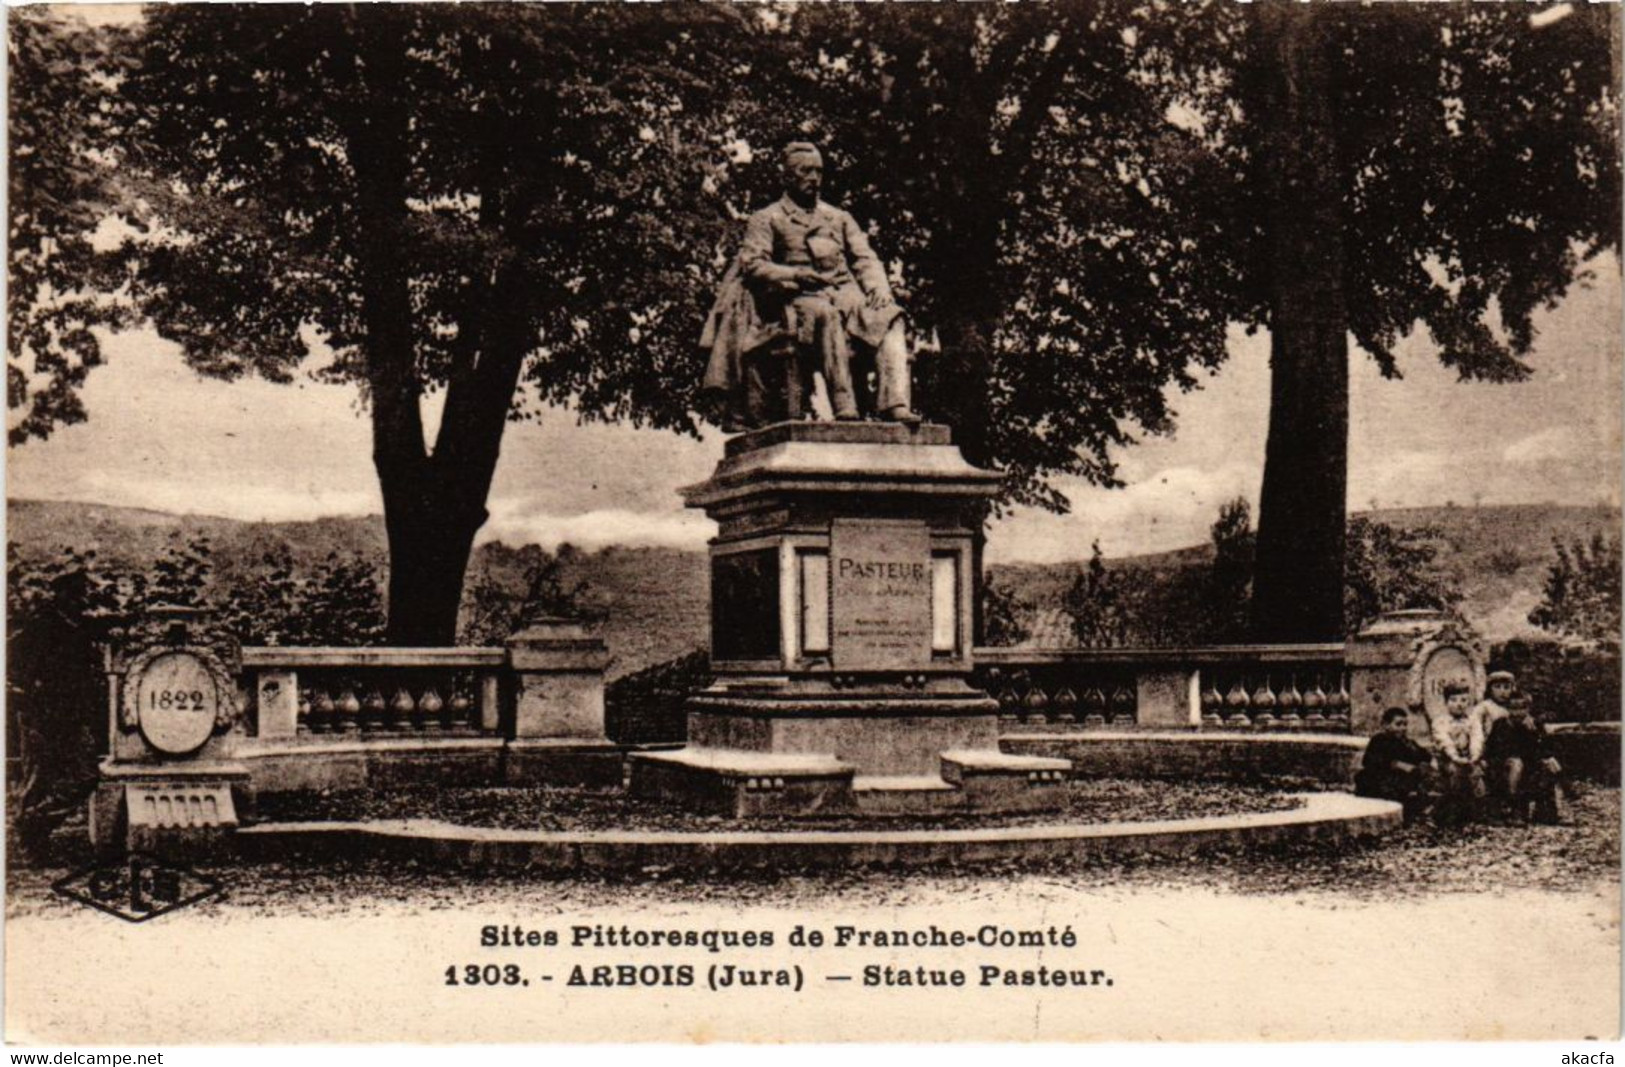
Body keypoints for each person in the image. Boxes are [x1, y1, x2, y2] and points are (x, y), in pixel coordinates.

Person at [700, 142, 920, 430]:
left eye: (819, 171)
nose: (814, 179)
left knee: (892, 317)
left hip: (847, 295)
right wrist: (794, 274)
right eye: (806, 171)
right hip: (797, 297)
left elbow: (866, 258)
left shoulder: (839, 218)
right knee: (823, 313)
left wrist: (879, 289)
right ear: (787, 177)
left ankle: (895, 403)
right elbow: (753, 264)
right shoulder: (767, 218)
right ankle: (845, 405)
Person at [1483, 692, 1567, 824]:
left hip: (1529, 765)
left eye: (1522, 708)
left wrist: (1532, 733)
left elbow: (1543, 749)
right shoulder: (1501, 725)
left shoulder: (1533, 725)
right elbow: (1494, 750)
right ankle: (1514, 808)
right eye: (1513, 708)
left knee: (1550, 764)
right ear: (1507, 709)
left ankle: (1548, 811)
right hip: (1504, 767)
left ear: (1528, 709)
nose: (1518, 713)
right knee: (1516, 764)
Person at [1355, 707, 1433, 822]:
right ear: (1386, 725)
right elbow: (1369, 761)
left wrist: (1418, 756)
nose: (1402, 728)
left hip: (1401, 779)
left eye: (1405, 724)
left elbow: (1425, 756)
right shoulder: (1379, 740)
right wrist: (1396, 764)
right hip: (1381, 778)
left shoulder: (1407, 742)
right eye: (1398, 724)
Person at [1431, 681, 1485, 824]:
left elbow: (1477, 737)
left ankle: (1474, 812)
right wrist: (1454, 756)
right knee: (1455, 772)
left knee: (1477, 774)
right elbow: (1444, 740)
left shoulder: (1473, 721)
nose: (1459, 704)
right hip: (1447, 759)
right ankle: (1452, 812)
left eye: (1463, 700)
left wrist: (1474, 755)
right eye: (1453, 700)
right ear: (1446, 702)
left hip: (1469, 757)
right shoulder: (1440, 721)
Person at [1473, 669, 1516, 739]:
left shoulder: (1513, 706)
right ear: (1490, 689)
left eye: (1506, 687)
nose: (1502, 691)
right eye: (1497, 687)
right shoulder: (1485, 706)